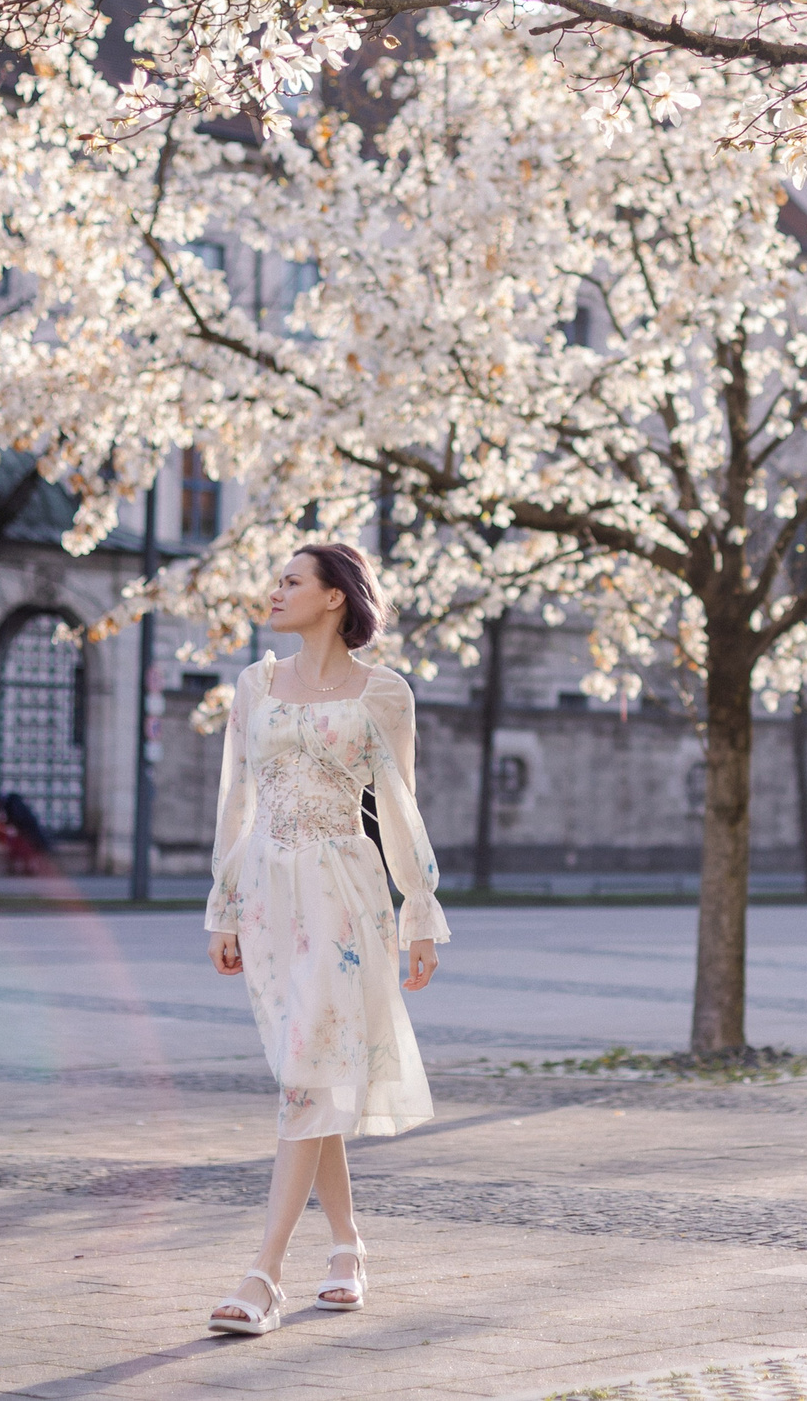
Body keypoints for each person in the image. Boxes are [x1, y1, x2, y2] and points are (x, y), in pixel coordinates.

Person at [204, 543, 449, 1334]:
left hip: (346, 897)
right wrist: (224, 906)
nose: (273, 592)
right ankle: (347, 1247)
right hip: (272, 898)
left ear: (336, 597)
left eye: (291, 581)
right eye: (276, 580)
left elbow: (401, 811)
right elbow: (236, 802)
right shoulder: (255, 685)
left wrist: (419, 915)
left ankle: (262, 1276)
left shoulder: (385, 694)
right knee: (306, 1075)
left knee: (306, 1076)